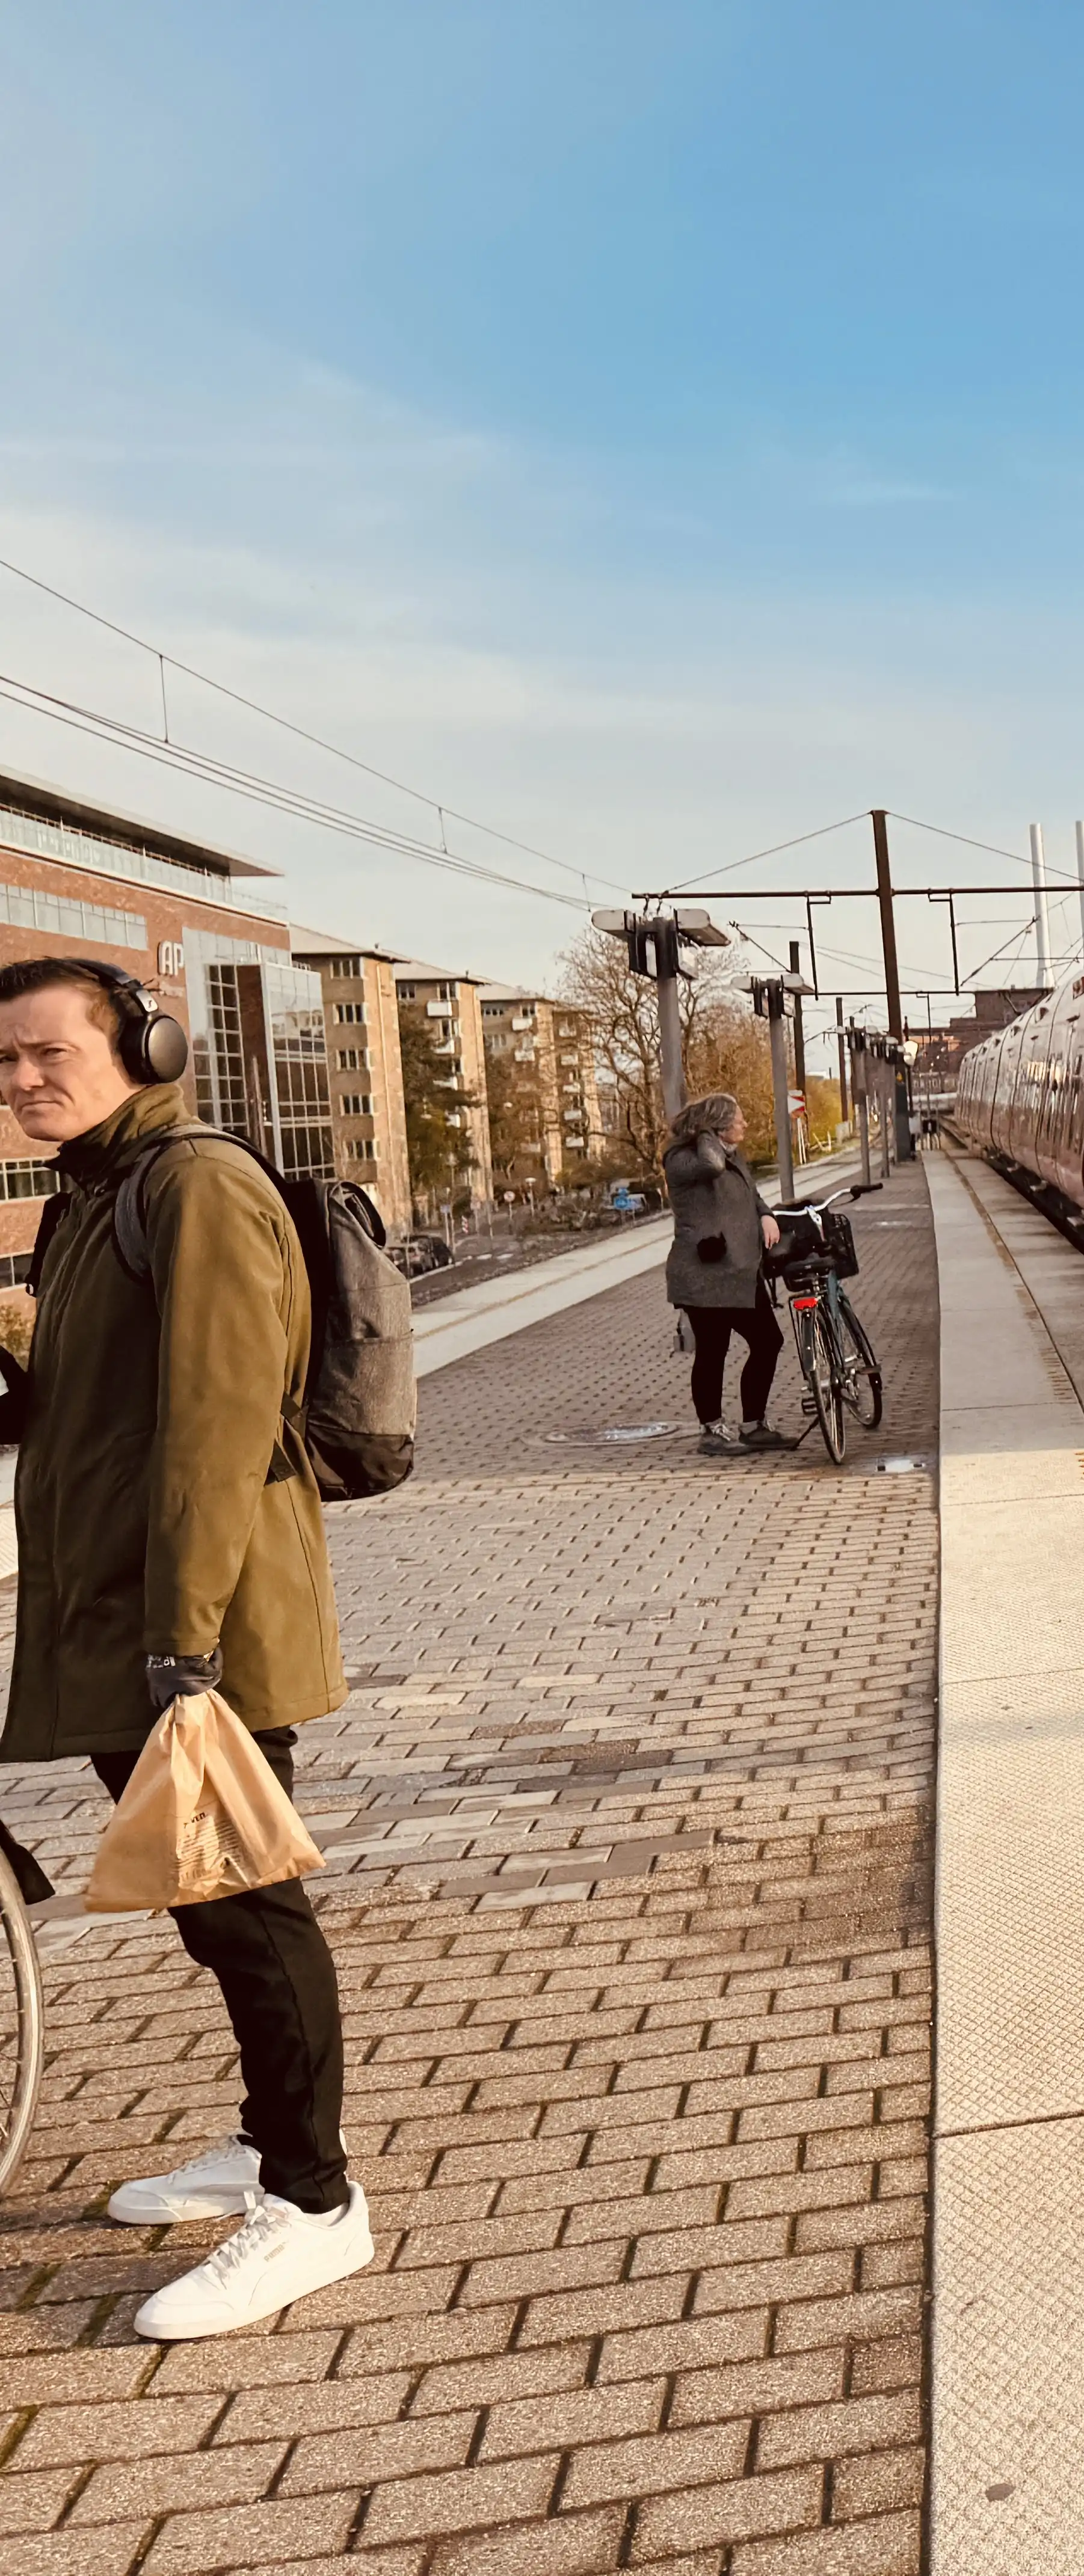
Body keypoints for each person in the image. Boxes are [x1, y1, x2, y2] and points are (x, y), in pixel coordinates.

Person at [0, 956, 369, 2338]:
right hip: (125, 1617)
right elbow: (78, 1414)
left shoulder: (195, 1186)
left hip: (193, 1625)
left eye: (50, 1053)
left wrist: (184, 1653)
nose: (25, 1080)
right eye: (6, 1064)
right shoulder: (85, 1203)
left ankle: (317, 2204)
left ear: (147, 1047)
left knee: (246, 1908)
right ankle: (270, 2143)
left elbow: (217, 1425)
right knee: (207, 1909)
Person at [662, 1093, 799, 1454]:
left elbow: (752, 1195)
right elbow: (712, 1167)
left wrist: (767, 1214)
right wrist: (707, 1133)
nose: (745, 1125)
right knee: (713, 1351)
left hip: (740, 1271)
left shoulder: (732, 1155)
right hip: (704, 1273)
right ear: (717, 1126)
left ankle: (754, 1424)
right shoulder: (683, 1159)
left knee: (768, 1341)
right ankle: (711, 1430)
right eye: (738, 1119)